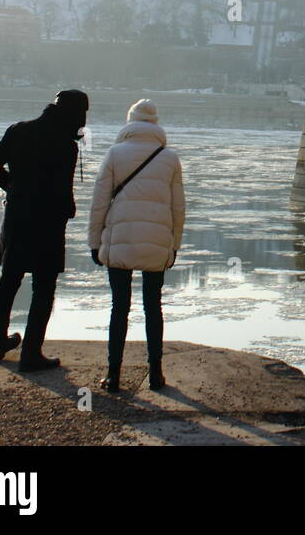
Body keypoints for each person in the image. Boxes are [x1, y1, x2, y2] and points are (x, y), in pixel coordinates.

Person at [0, 89, 90, 371]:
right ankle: (31, 353)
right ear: (76, 114)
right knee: (43, 289)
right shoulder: (67, 146)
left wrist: (13, 188)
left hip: (17, 220)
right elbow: (64, 194)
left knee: (8, 281)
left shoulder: (18, 130)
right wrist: (69, 211)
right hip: (48, 226)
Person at [88, 99, 185, 392]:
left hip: (121, 239)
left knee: (120, 308)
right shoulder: (170, 158)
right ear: (156, 125)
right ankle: (156, 374)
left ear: (129, 122)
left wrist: (94, 242)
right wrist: (174, 246)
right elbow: (178, 208)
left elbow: (99, 203)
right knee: (153, 307)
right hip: (157, 242)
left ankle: (113, 375)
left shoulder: (115, 154)